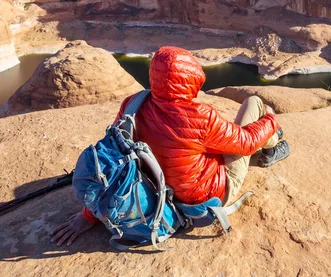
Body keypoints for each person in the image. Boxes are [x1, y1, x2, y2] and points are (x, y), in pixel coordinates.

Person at [51, 46, 290, 246]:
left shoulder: (133, 104)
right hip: (206, 197)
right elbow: (246, 143)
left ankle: (267, 146)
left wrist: (89, 215)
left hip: (154, 194)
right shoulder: (201, 117)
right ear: (190, 81)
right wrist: (270, 120)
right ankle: (271, 149)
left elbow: (115, 155)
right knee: (255, 104)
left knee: (208, 145)